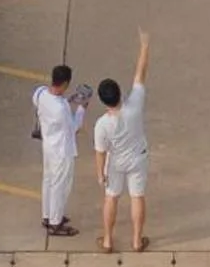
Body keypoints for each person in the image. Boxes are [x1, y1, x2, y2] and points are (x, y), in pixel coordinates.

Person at [92, 29, 151, 254]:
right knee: (137, 197)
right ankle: (137, 240)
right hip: (138, 157)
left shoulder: (102, 124)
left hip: (115, 162)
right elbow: (140, 74)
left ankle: (108, 240)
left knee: (111, 197)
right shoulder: (135, 105)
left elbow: (100, 152)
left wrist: (100, 174)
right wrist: (144, 46)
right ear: (119, 93)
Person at [32, 63, 85, 237]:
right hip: (62, 151)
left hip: (48, 146)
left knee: (48, 181)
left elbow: (46, 104)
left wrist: (68, 101)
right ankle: (56, 222)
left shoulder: (40, 93)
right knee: (60, 186)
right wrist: (82, 108)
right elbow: (74, 127)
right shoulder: (61, 110)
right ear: (65, 84)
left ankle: (47, 215)